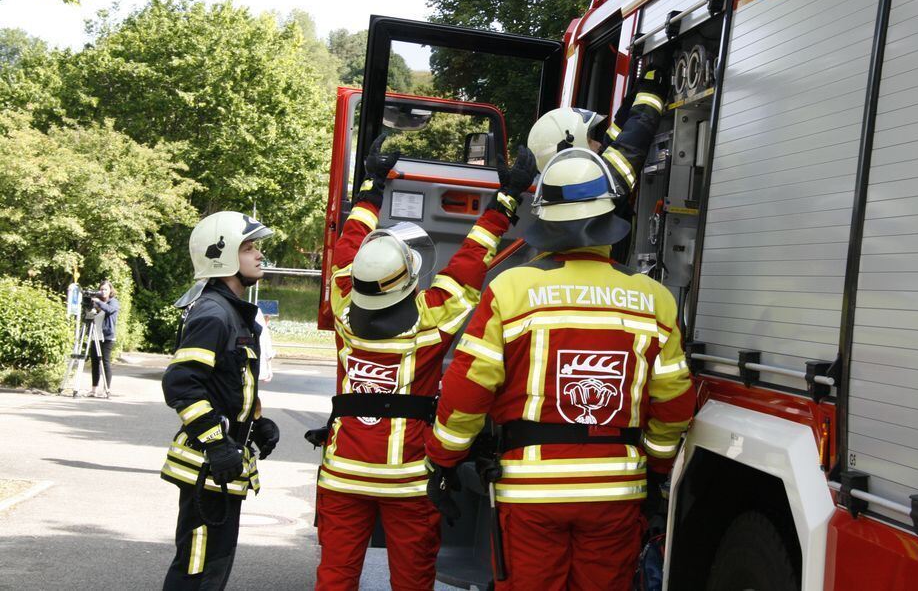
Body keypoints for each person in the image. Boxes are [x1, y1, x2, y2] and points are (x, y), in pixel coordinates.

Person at [425, 71, 695, 590]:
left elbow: (467, 389)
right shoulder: (655, 300)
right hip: (617, 493)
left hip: (531, 492)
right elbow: (674, 400)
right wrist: (657, 468)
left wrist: (443, 458)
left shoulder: (512, 290)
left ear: (543, 216)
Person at [309, 134, 536, 591]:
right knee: (412, 580)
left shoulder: (342, 300)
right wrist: (506, 199)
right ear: (411, 277)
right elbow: (472, 258)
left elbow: (349, 244)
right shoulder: (432, 318)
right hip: (410, 481)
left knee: (335, 577)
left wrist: (372, 187)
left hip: (342, 474)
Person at [160, 211, 282, 590]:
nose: (259, 255)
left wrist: (256, 423)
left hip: (222, 466)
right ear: (224, 255)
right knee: (196, 568)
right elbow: (182, 384)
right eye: (249, 247)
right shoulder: (215, 313)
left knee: (212, 567)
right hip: (207, 464)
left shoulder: (234, 313)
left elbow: (230, 382)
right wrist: (216, 444)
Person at [87, 279, 119, 397]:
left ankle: (107, 390)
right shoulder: (97, 302)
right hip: (95, 336)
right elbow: (89, 317)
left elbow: (110, 310)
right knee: (94, 363)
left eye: (105, 289)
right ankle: (93, 390)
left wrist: (98, 303)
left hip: (107, 337)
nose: (103, 291)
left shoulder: (113, 302)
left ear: (110, 290)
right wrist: (90, 307)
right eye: (101, 289)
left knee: (105, 363)